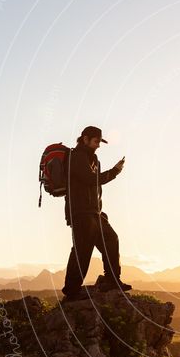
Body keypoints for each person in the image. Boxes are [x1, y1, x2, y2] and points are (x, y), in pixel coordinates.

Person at [61, 125, 132, 300]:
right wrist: (114, 172)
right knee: (82, 250)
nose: (98, 145)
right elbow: (91, 180)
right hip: (81, 212)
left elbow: (95, 185)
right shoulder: (75, 157)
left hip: (94, 212)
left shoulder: (94, 159)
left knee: (111, 239)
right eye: (96, 141)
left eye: (100, 142)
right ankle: (71, 291)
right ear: (85, 139)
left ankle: (112, 280)